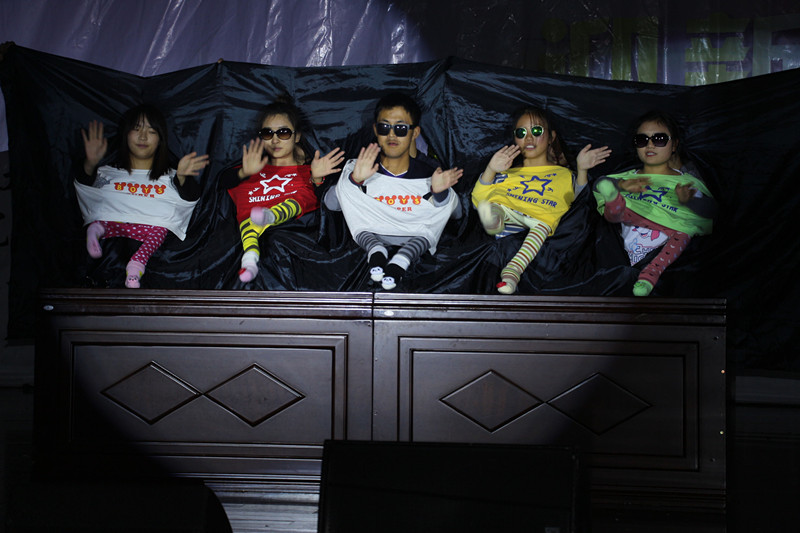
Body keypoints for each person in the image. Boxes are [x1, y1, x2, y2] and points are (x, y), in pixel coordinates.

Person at [324, 92, 463, 290]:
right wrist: (354, 180)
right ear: (375, 130)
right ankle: (376, 250)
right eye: (384, 127)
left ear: (415, 133)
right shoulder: (361, 167)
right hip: (371, 234)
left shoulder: (430, 173)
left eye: (400, 128)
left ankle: (402, 260)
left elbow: (456, 213)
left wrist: (439, 192)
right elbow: (331, 204)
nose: (392, 135)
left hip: (416, 238)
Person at [471, 105, 611, 294]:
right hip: (506, 226)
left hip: (541, 231)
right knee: (491, 207)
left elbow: (579, 207)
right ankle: (496, 221)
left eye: (536, 131)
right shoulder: (506, 172)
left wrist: (582, 170)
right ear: (514, 138)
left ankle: (512, 273)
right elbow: (477, 201)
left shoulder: (564, 174)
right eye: (521, 133)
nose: (528, 138)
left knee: (542, 226)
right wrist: (490, 169)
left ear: (551, 137)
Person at [75, 104, 209, 288]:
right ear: (125, 134)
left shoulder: (172, 177)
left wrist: (183, 178)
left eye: (151, 131)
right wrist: (90, 164)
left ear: (161, 139)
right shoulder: (106, 173)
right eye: (136, 129)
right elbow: (85, 185)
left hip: (151, 244)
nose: (143, 137)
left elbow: (190, 197)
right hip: (109, 245)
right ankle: (95, 233)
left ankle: (135, 267)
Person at [219, 97, 344, 283]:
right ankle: (249, 262)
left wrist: (317, 178)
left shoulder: (308, 171)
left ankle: (270, 217)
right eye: (267, 133)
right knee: (249, 229)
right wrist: (244, 173)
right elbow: (222, 182)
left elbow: (326, 204)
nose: (275, 140)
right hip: (249, 222)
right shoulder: (251, 168)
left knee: (299, 199)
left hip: (288, 231)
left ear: (297, 136)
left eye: (283, 133)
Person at [593, 110, 716, 296]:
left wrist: (689, 202)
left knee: (685, 232)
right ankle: (615, 203)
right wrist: (621, 185)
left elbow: (711, 212)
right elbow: (599, 184)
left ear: (674, 145)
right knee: (616, 212)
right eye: (642, 140)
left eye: (659, 139)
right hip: (622, 253)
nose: (650, 145)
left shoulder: (687, 183)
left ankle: (649, 276)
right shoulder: (626, 178)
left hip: (669, 255)